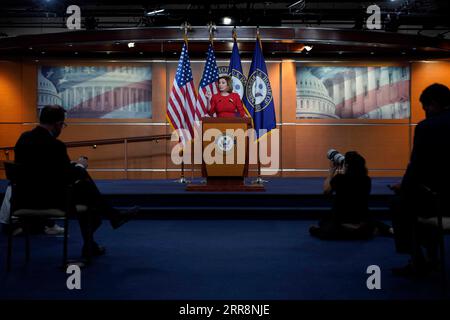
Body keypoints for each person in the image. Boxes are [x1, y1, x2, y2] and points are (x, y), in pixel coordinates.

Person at [12, 105, 138, 258]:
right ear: (58, 123)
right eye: (63, 125)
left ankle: (107, 224)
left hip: (24, 200)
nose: (62, 128)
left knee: (83, 189)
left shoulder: (23, 139)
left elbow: (42, 171)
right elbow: (68, 177)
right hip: (51, 202)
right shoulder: (55, 146)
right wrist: (80, 165)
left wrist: (71, 167)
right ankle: (110, 219)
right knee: (83, 190)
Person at [390, 83, 450, 277]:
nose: (425, 113)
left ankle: (419, 260)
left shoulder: (428, 127)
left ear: (433, 104)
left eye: (426, 108)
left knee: (401, 205)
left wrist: (404, 186)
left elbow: (417, 166)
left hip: (440, 201)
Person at [309, 151, 389, 240]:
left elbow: (326, 191)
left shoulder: (339, 179)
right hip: (360, 217)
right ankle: (361, 229)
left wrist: (331, 171)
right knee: (372, 222)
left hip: (342, 218)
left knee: (323, 223)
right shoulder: (366, 180)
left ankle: (347, 229)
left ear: (347, 165)